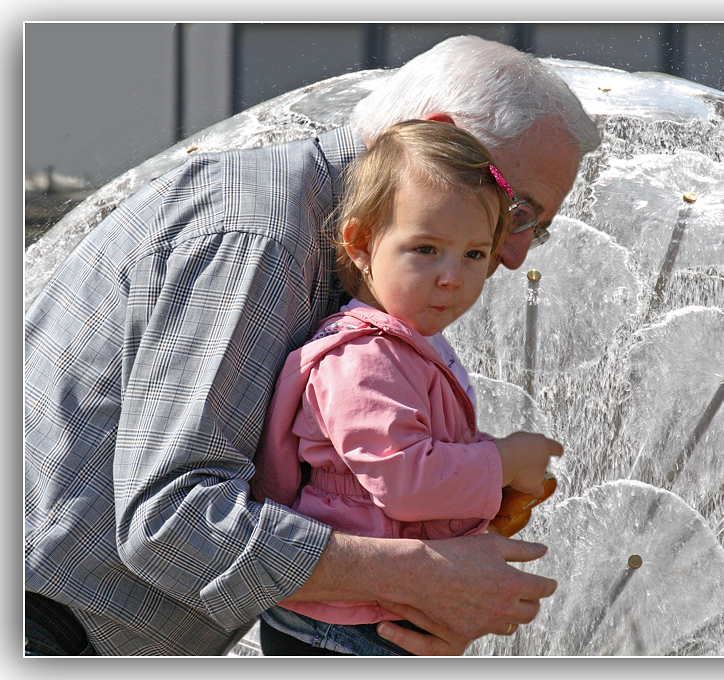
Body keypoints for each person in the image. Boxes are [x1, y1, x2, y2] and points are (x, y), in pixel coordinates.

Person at [24, 34, 599, 656]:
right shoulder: (265, 236)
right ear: (433, 137)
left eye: (532, 232)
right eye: (516, 211)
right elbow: (174, 521)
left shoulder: (358, 259)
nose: (511, 254)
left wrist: (414, 594)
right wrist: (420, 574)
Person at [250, 119, 562, 656]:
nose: (452, 276)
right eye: (425, 249)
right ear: (361, 244)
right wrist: (503, 460)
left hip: (370, 612)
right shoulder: (362, 358)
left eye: (473, 254)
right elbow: (405, 480)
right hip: (344, 627)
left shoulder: (409, 344)